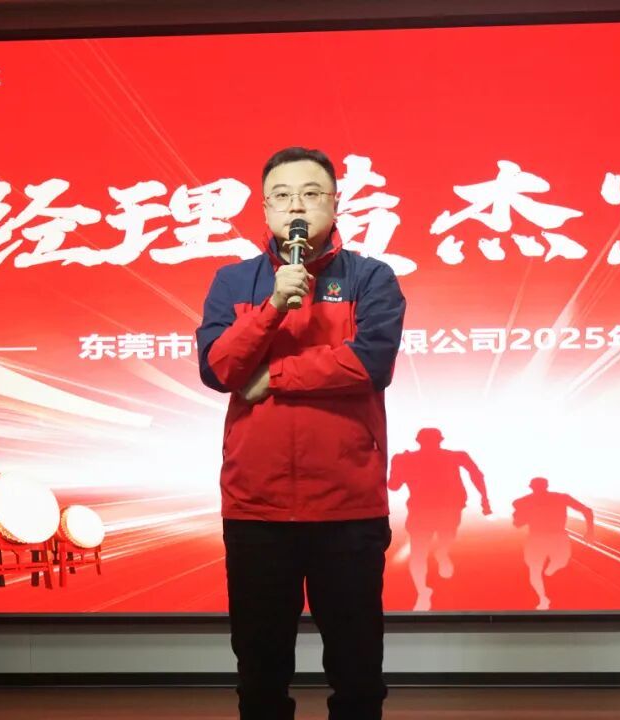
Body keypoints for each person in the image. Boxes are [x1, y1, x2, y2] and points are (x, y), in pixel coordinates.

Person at [195, 147, 406, 720]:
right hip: (256, 508)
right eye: (283, 196)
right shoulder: (234, 281)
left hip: (347, 508)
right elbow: (219, 370)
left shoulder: (371, 277)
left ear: (334, 204)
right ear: (265, 209)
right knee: (260, 675)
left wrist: (275, 376)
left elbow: (370, 362)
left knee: (357, 674)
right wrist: (270, 308)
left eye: (311, 194)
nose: (297, 206)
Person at [387, 427, 490, 611]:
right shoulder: (408, 459)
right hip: (430, 509)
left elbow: (393, 485)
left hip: (440, 509)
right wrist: (484, 499)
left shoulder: (452, 456)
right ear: (440, 440)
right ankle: (423, 590)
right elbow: (394, 485)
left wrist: (485, 499)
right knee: (422, 550)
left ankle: (433, 569)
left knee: (426, 549)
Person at [511, 477, 595, 610]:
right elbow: (518, 523)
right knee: (537, 569)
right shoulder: (525, 501)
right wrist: (590, 531)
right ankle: (543, 598)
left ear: (531, 487)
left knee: (549, 566)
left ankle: (549, 575)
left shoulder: (559, 498)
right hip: (542, 538)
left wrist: (590, 532)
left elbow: (517, 524)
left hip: (548, 538)